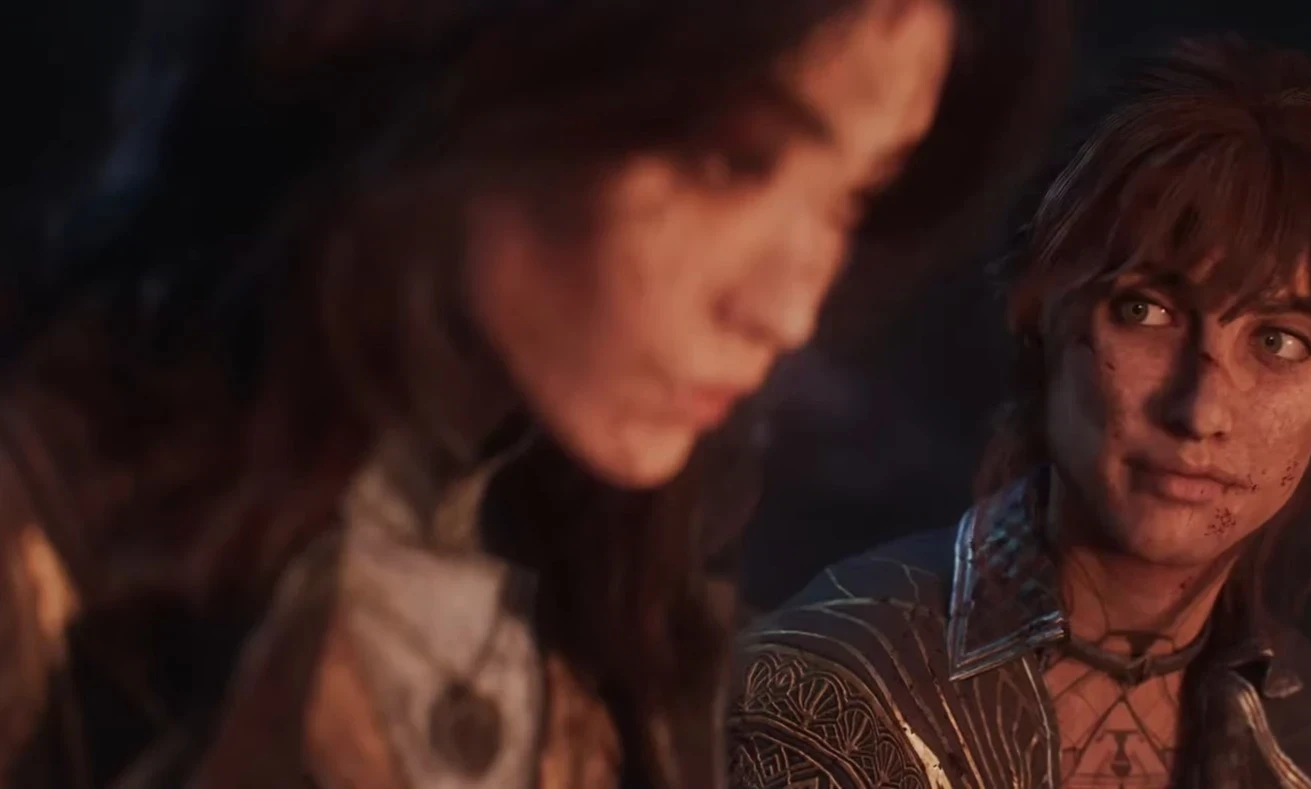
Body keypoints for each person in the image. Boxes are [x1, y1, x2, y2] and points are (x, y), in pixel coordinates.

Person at [0, 0, 1069, 786]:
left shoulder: (632, 566)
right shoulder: (54, 523)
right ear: (496, 57)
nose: (790, 308)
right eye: (733, 160)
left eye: (853, 198)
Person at [727, 35, 1311, 789]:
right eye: (1144, 310)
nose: (1201, 408)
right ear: (1038, 321)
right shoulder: (825, 689)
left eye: (1278, 341)